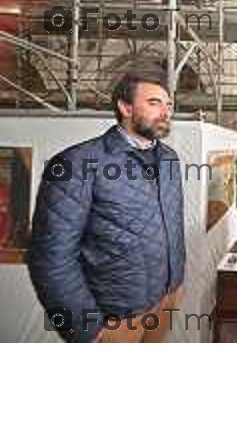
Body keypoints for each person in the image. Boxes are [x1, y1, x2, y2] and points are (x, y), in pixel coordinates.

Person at [27, 71, 186, 343]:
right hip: (116, 316)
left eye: (168, 104)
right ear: (125, 107)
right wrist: (89, 330)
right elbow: (50, 258)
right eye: (154, 102)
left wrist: (176, 284)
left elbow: (169, 225)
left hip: (166, 299)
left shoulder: (169, 158)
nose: (166, 112)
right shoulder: (76, 164)